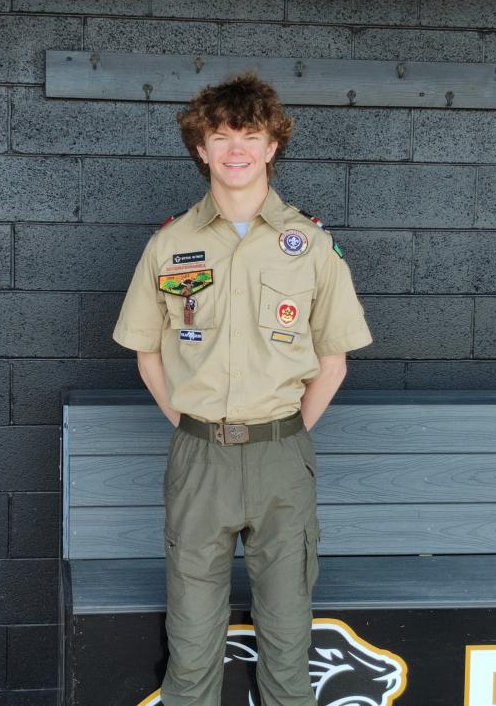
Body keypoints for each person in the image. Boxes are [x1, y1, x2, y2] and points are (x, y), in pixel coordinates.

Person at [112, 72, 372, 706]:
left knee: (287, 638)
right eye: (219, 136)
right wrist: (191, 424)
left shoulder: (308, 245)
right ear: (200, 149)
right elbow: (147, 351)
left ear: (271, 146)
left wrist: (281, 434)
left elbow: (332, 361)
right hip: (199, 458)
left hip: (281, 455)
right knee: (192, 639)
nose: (235, 149)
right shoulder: (170, 244)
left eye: (249, 136)